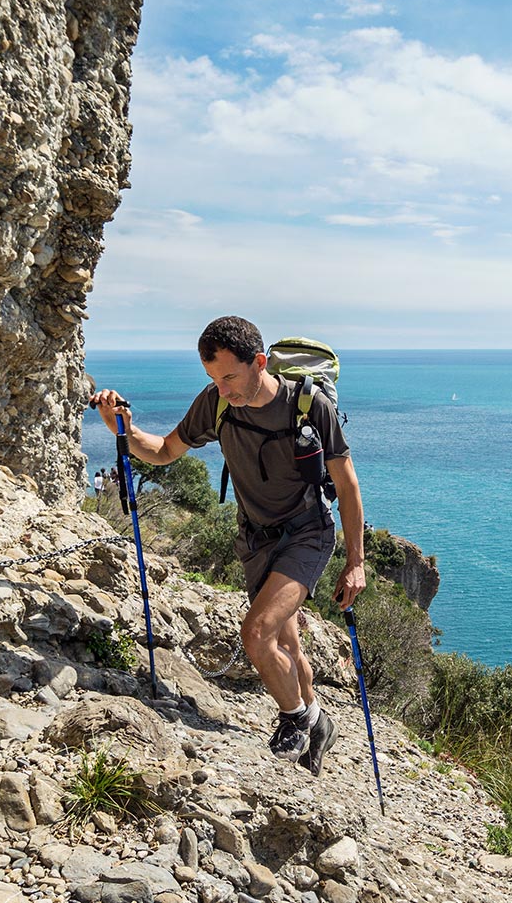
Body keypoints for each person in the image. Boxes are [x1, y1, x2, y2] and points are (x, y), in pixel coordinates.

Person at [91, 315, 365, 776]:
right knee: (286, 644)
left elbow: (347, 482)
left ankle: (295, 719)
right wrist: (122, 429)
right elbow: (163, 451)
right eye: (213, 379)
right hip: (255, 538)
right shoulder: (217, 405)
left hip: (307, 533)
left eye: (229, 376)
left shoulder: (308, 405)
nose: (222, 388)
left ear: (259, 362)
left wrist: (356, 562)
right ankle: (318, 722)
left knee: (256, 633)